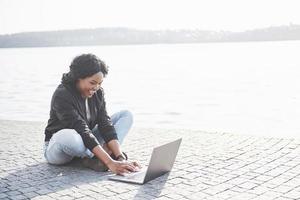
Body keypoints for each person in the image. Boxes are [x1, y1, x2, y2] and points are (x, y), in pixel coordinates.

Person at [43, 53, 141, 175]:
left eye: (100, 83)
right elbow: (81, 129)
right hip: (60, 148)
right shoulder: (62, 95)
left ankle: (99, 157)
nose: (96, 87)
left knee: (126, 115)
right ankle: (100, 157)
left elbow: (105, 124)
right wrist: (110, 163)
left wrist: (121, 158)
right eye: (92, 83)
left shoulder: (98, 93)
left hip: (87, 141)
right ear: (78, 77)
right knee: (71, 136)